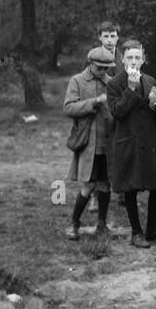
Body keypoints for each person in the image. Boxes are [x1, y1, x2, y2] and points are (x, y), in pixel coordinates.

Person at [106, 39, 156, 247]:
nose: (134, 62)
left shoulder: (151, 80)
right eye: (130, 58)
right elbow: (117, 112)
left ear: (143, 59)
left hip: (151, 140)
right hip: (129, 141)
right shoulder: (115, 84)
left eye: (138, 57)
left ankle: (151, 230)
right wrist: (131, 89)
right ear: (122, 59)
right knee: (131, 187)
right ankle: (136, 232)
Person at [63, 46, 117, 242]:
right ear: (90, 64)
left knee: (105, 184)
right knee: (89, 184)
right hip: (89, 144)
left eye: (106, 68)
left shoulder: (111, 83)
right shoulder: (77, 81)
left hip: (108, 144)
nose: (103, 72)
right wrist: (94, 102)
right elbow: (68, 107)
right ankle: (73, 222)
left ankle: (101, 225)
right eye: (99, 68)